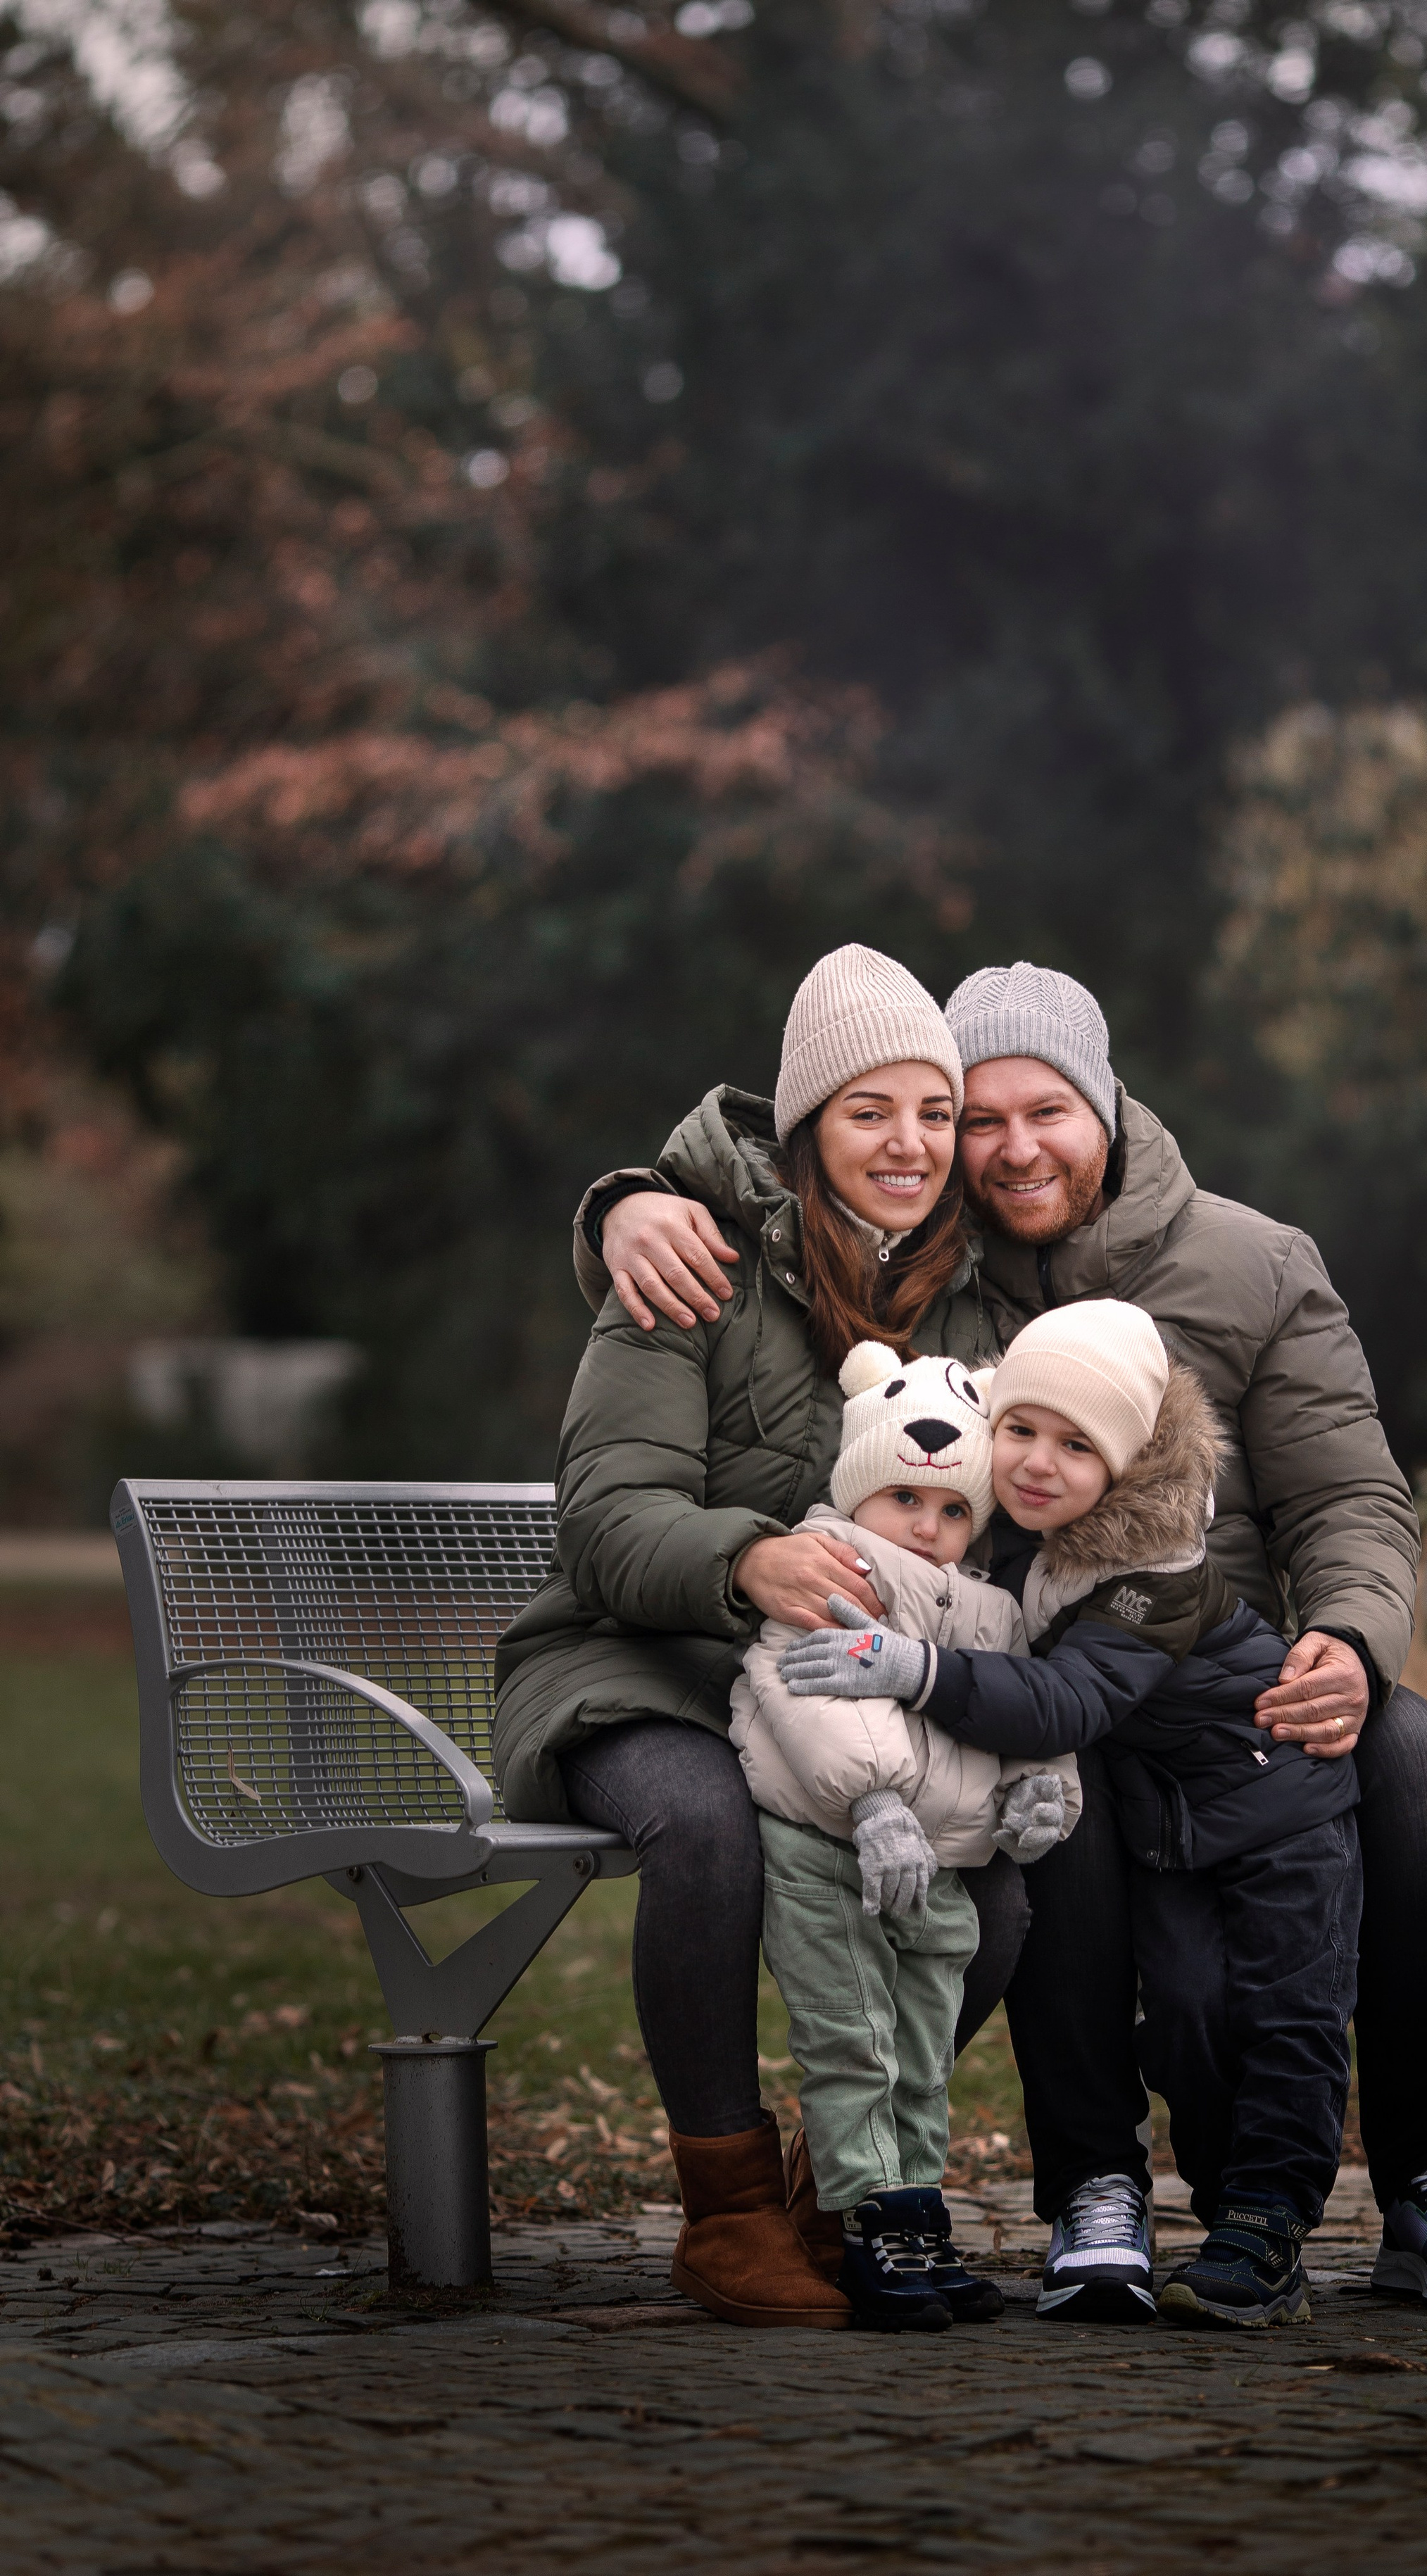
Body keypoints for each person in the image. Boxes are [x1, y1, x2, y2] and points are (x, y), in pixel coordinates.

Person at [590, 961, 1427, 2313]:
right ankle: (1091, 2183)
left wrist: (1347, 1636)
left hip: (1225, 1674)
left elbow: (1347, 1495)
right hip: (1036, 1672)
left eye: (1046, 1111)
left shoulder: (1256, 1265)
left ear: (1108, 1107)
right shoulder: (945, 1273)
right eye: (978, 1118)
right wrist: (622, 1205)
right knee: (1048, 1782)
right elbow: (783, 1220)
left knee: (1415, 1759)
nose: (1011, 1147)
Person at [491, 944, 1027, 2330]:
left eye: (932, 1112)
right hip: (638, 1669)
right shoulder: (691, 1265)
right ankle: (725, 2211)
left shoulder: (974, 1298)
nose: (907, 1144)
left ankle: (845, 2195)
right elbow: (606, 1521)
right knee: (706, 1822)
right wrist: (746, 1558)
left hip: (851, 1688)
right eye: (867, 1111)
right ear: (804, 1130)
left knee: (994, 1876)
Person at [783, 1300, 1362, 2330]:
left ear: (1129, 1464)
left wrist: (911, 1667)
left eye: (1078, 1445)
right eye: (1020, 1429)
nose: (1038, 1463)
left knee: (1284, 2012)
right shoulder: (1012, 1536)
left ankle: (1265, 2221)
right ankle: (1198, 2211)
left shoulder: (1153, 1571)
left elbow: (1067, 1702)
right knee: (1186, 2011)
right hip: (1174, 1825)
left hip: (1278, 1806)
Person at [732, 1340, 1079, 2330]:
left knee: (924, 2046)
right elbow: (802, 1695)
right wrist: (874, 1802)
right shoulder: (829, 1568)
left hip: (944, 1866)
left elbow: (1021, 1706)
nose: (928, 1527)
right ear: (859, 1490)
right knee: (855, 2041)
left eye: (955, 1509)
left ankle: (917, 2212)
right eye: (905, 1499)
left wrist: (1042, 1789)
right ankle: (867, 2221)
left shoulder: (992, 1609)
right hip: (830, 1850)